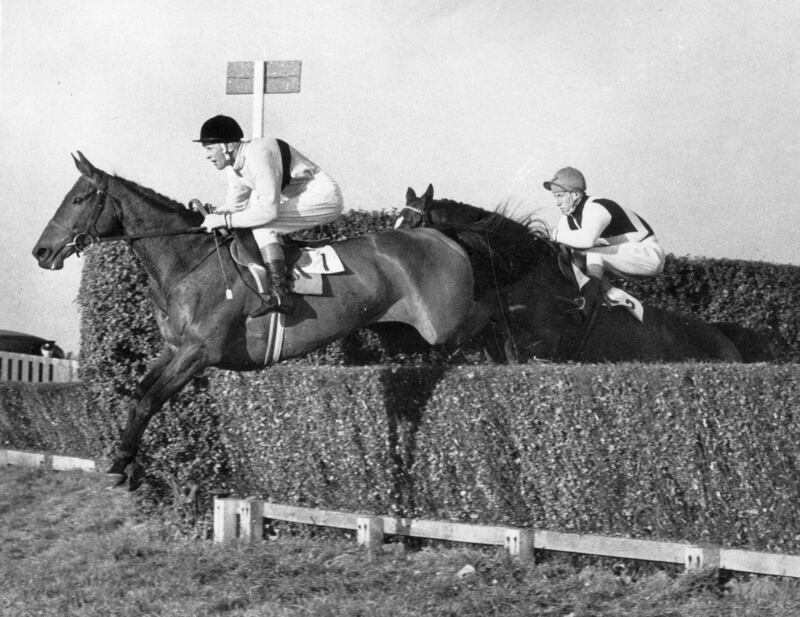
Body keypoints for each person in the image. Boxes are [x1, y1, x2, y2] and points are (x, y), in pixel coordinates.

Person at [192, 115, 344, 316]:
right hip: (296, 199)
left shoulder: (259, 154)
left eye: (210, 149)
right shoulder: (235, 168)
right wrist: (213, 215)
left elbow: (267, 211)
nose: (207, 156)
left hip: (323, 196)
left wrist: (224, 220)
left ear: (227, 145)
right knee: (254, 221)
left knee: (264, 226)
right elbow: (235, 206)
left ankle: (280, 293)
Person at [544, 166, 666, 316]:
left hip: (649, 255)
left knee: (593, 254)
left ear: (575, 194)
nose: (557, 203)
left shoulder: (596, 207)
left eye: (560, 196)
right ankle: (613, 295)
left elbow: (586, 240)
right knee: (575, 256)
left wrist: (554, 234)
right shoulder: (567, 218)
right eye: (555, 197)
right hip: (626, 256)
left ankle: (586, 305)